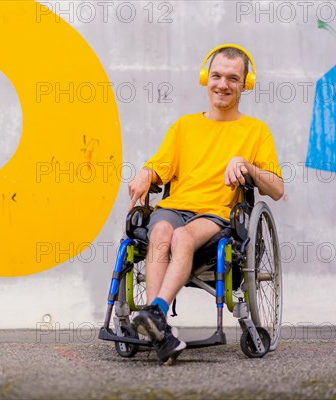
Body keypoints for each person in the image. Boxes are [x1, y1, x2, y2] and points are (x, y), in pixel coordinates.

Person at [127, 44, 284, 365]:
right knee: (160, 234)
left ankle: (153, 313)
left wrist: (247, 166)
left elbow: (278, 189)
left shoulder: (255, 131)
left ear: (245, 84)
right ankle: (158, 323)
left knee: (182, 237)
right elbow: (160, 166)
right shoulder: (184, 126)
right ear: (205, 78)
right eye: (216, 76)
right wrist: (144, 173)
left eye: (232, 78)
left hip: (215, 215)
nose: (222, 84)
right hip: (175, 207)